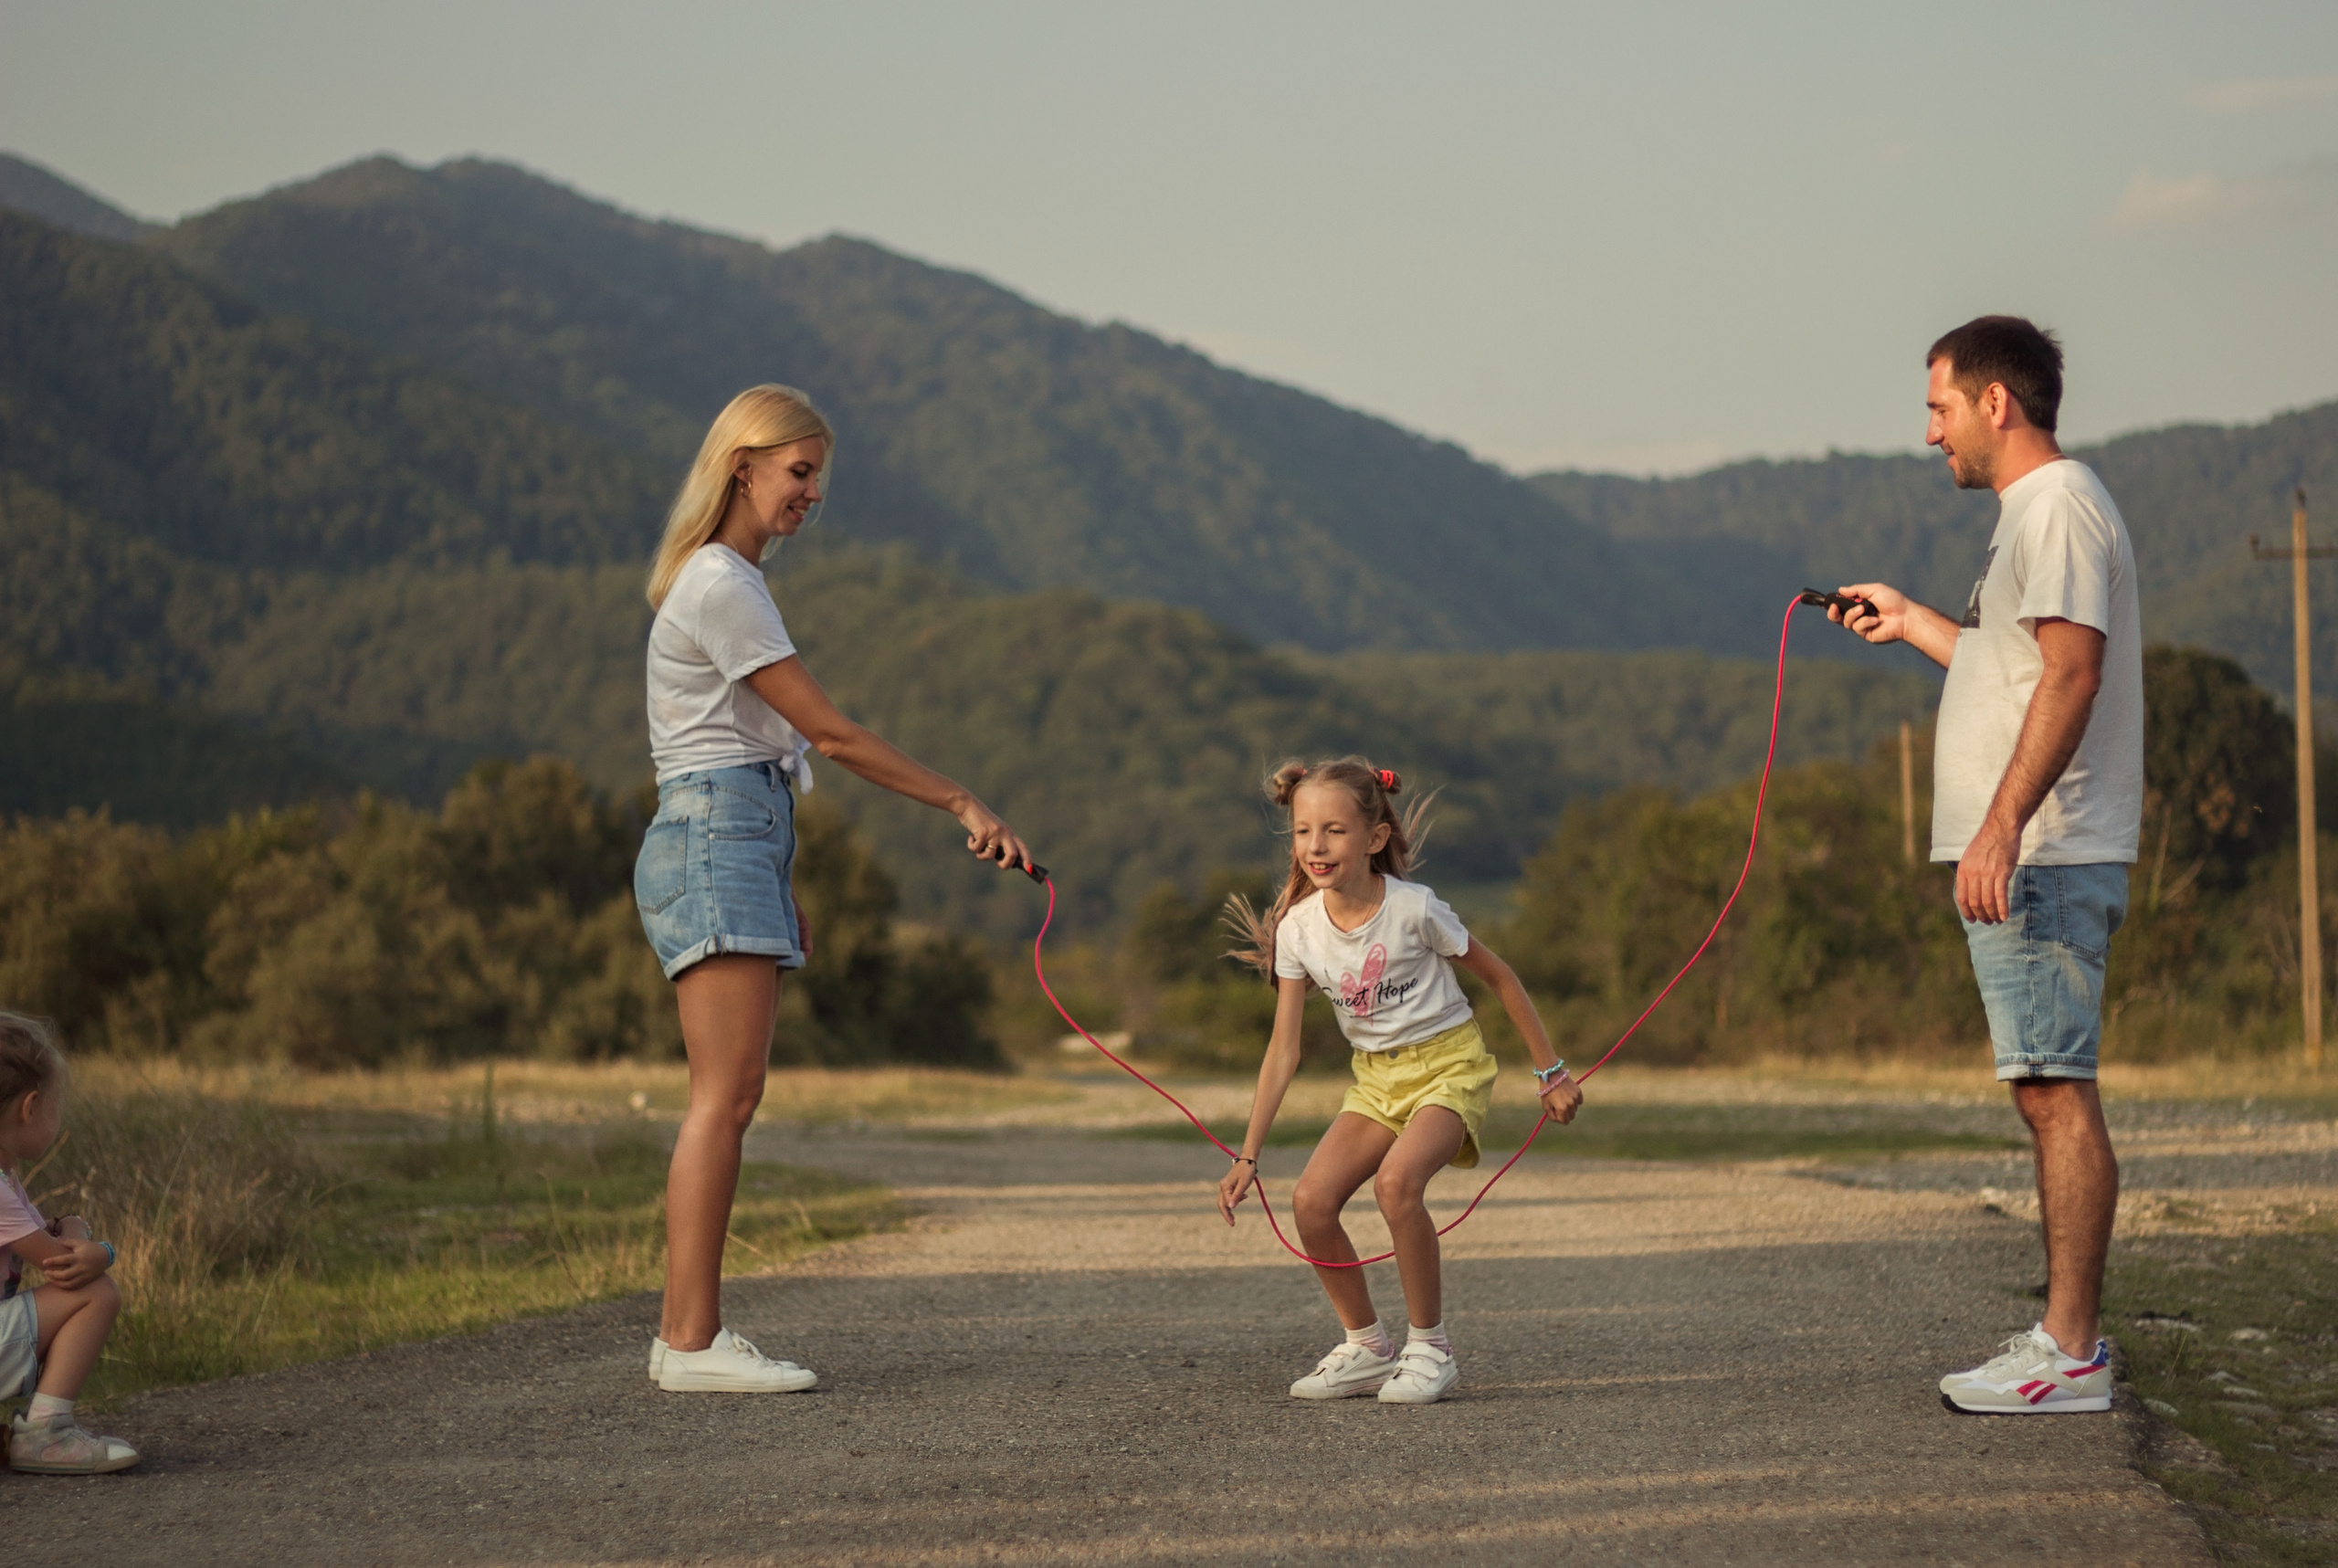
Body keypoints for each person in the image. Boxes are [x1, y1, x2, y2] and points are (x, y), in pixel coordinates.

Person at [637, 384, 1035, 1394]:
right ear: (743, 466)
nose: (813, 493)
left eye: (819, 475)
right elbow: (833, 733)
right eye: (799, 471)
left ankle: (689, 1338)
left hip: (736, 829)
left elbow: (755, 752)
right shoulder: (721, 583)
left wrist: (775, 868)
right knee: (722, 1101)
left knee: (730, 1097)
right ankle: (687, 1343)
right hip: (717, 826)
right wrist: (959, 801)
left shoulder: (728, 579)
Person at [1828, 316, 2142, 1414]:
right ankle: (2067, 1339)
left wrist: (2003, 826)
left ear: (1993, 404)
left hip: (2045, 854)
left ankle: (2072, 1352)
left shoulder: (2052, 507)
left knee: (2056, 1093)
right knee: (2043, 1089)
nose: (1932, 435)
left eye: (1939, 408)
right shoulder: (2036, 519)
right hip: (2037, 852)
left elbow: (2069, 677)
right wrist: (1915, 620)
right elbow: (2015, 666)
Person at [1218, 759, 1583, 1405]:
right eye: (1304, 831)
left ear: (1375, 838)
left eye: (1333, 830)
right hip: (1375, 1082)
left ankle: (1431, 1348)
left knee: (1396, 1184)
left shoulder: (1415, 909)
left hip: (1449, 1065)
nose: (1316, 846)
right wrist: (1248, 1153)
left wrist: (1549, 1071)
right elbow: (1283, 1048)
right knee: (1311, 1201)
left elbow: (1500, 976)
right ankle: (1365, 1346)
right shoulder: (1298, 929)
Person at [0, 1013, 138, 1474]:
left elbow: (47, 1233)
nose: (58, 1119)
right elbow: (64, 1264)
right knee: (97, 1293)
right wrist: (102, 1251)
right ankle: (45, 1433)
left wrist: (73, 1226)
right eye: (56, 1106)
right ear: (31, 1106)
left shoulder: (6, 1179)